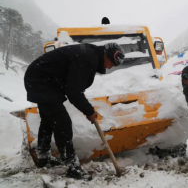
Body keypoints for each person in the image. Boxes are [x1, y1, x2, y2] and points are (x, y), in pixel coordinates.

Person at [24, 43, 125, 179]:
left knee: (49, 118)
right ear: (106, 56)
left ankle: (44, 156)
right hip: (41, 80)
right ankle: (72, 166)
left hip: (44, 79)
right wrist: (89, 111)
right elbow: (73, 92)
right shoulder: (88, 58)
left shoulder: (91, 56)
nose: (110, 67)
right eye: (111, 63)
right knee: (62, 122)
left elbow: (74, 86)